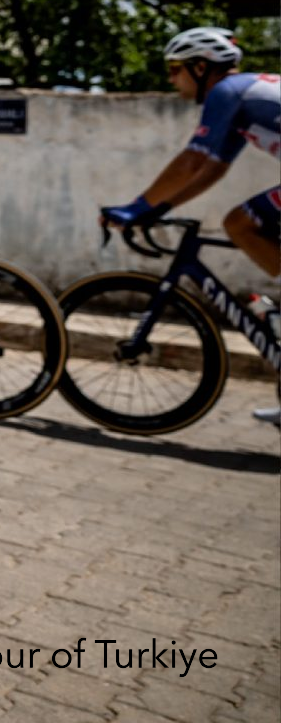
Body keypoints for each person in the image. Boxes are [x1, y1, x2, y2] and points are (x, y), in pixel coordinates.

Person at [99, 27, 279, 427]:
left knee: (240, 223)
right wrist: (157, 208)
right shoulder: (245, 95)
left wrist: (136, 207)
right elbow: (212, 167)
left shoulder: (227, 92)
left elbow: (191, 160)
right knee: (243, 223)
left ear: (201, 67)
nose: (170, 78)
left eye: (175, 68)